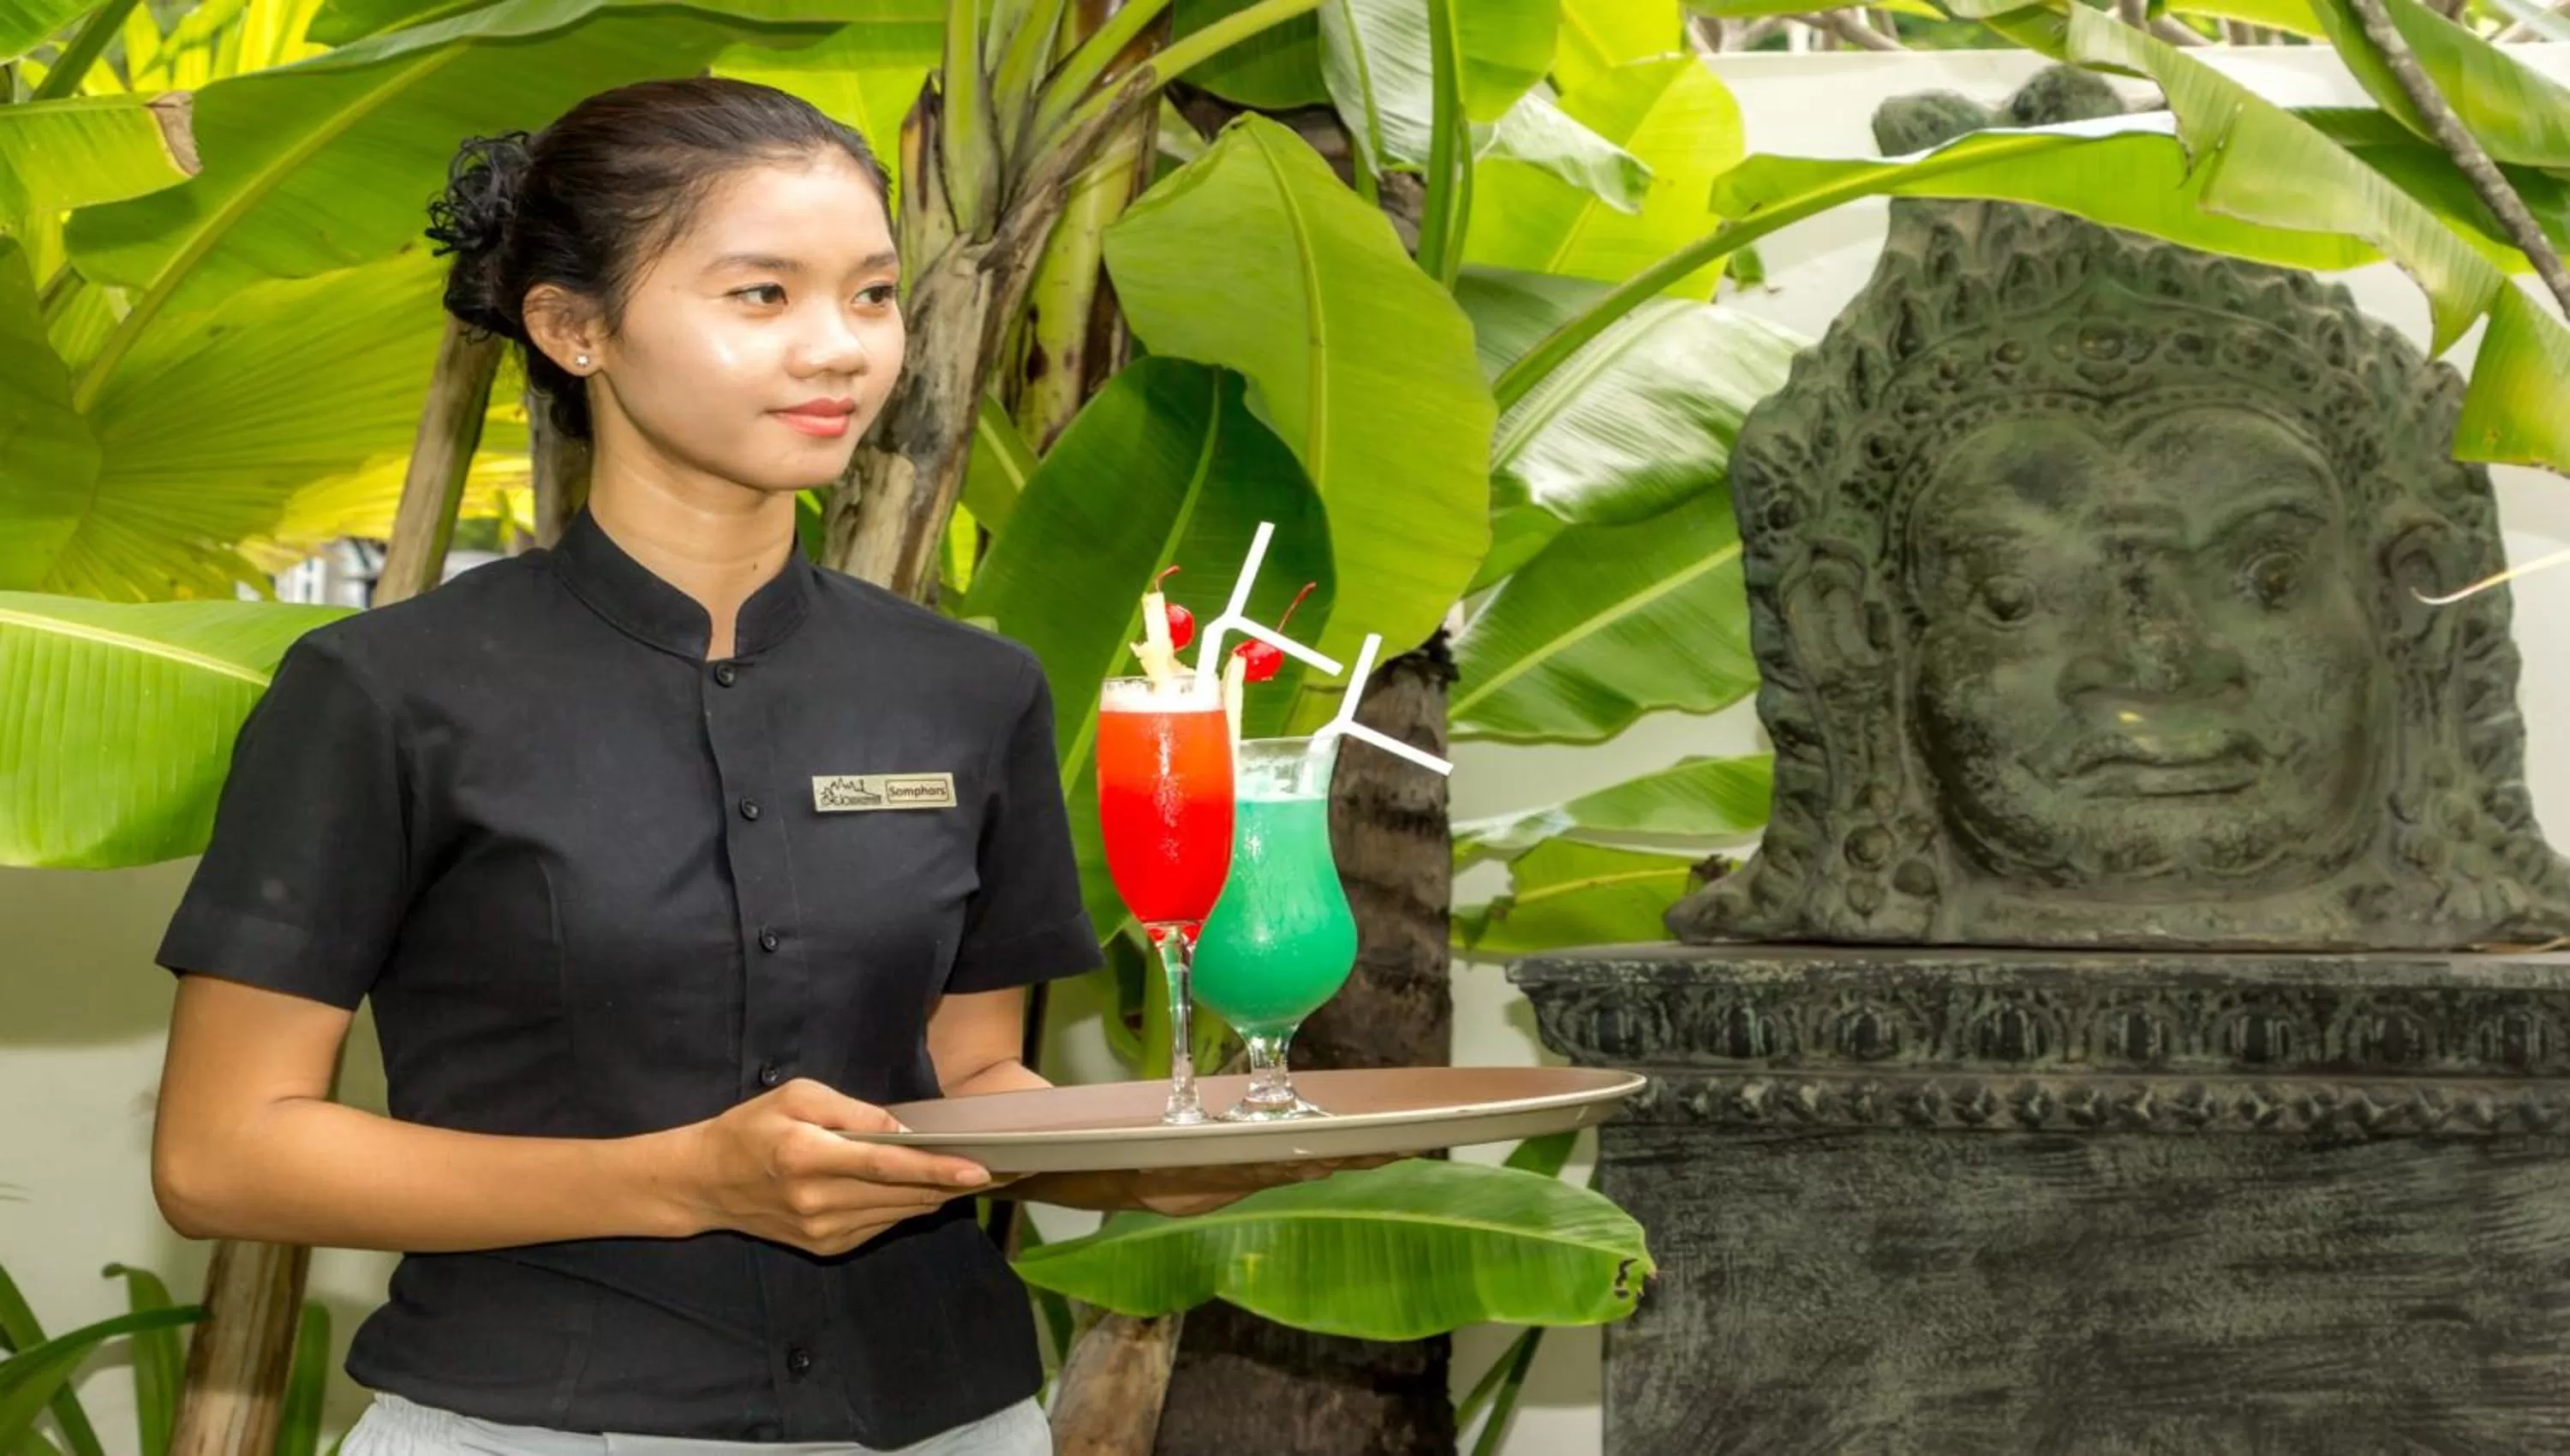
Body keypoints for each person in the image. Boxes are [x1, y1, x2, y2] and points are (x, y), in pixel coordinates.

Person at [151, 77, 1359, 1456]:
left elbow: (976, 1085)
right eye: (763, 296)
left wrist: (1167, 1163)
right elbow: (220, 1152)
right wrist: (679, 1182)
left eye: (872, 294)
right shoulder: (382, 692)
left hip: (947, 1420)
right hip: (536, 1424)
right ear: (573, 328)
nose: (839, 349)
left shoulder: (971, 688)